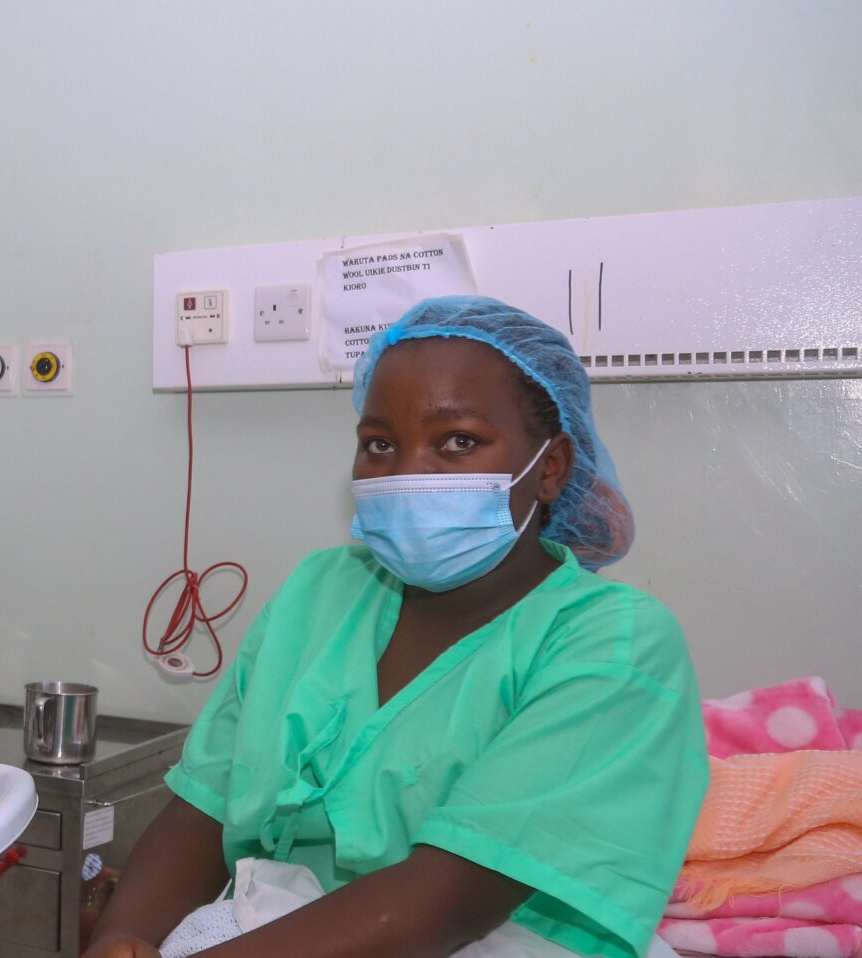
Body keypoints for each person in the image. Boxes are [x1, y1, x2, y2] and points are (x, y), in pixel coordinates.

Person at [86, 297, 708, 958]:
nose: (409, 470)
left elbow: (449, 900)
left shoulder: (615, 643)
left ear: (549, 467)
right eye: (379, 443)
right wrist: (125, 935)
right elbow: (205, 805)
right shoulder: (318, 594)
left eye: (458, 441)